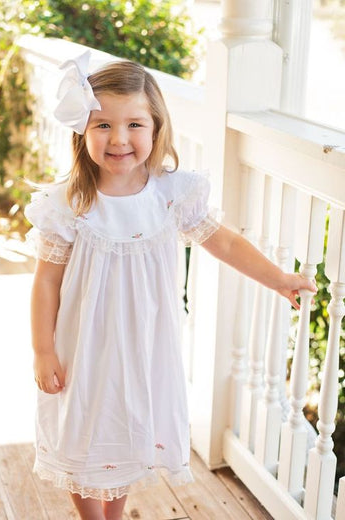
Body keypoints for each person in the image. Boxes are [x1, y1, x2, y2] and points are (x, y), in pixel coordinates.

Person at [25, 51, 316, 520]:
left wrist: (279, 277)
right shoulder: (70, 203)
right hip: (81, 345)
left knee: (126, 426)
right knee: (78, 429)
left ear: (157, 128)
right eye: (103, 125)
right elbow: (46, 282)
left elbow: (223, 243)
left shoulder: (171, 193)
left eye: (134, 125)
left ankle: (114, 515)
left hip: (144, 343)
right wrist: (43, 350)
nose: (119, 138)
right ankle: (90, 516)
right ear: (82, 129)